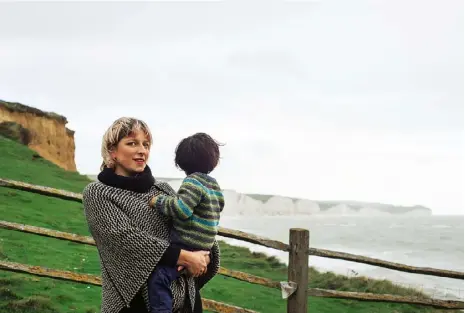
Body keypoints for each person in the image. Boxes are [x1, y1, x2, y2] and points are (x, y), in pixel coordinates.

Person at [82, 117, 220, 313]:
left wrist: (205, 255)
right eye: (132, 143)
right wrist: (185, 257)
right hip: (135, 304)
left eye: (146, 144)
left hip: (186, 302)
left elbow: (195, 223)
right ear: (112, 150)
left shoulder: (162, 190)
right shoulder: (99, 193)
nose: (142, 150)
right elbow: (124, 238)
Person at [148, 133, 225, 313]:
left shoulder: (192, 182)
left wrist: (158, 201)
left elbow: (181, 210)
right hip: (204, 247)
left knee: (160, 278)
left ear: (182, 161)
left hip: (187, 245)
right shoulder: (214, 185)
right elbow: (219, 207)